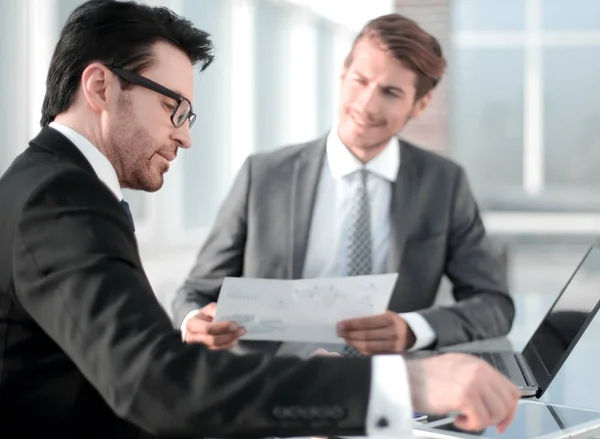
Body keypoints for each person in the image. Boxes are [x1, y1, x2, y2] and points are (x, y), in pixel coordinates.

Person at [0, 1, 520, 437]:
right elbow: (154, 381)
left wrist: (405, 345)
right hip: (275, 407)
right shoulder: (60, 198)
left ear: (420, 104)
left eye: (188, 115)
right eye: (173, 108)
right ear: (99, 88)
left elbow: (119, 371)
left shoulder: (55, 185)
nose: (185, 136)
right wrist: (405, 385)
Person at [172, 12, 514, 358]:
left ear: (420, 104)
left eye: (391, 92)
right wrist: (192, 322)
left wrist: (412, 329)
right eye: (360, 80)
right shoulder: (263, 175)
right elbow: (196, 292)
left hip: (384, 388)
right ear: (342, 75)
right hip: (273, 385)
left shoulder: (444, 183)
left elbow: (494, 304)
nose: (366, 105)